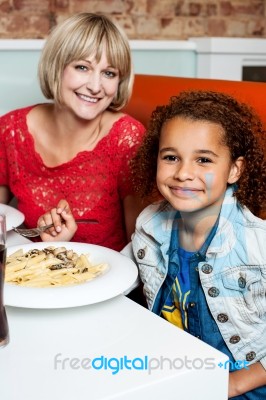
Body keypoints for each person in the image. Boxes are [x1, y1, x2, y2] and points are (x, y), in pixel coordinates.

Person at [128, 90, 266, 399]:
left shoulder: (258, 245)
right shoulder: (151, 225)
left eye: (203, 159)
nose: (183, 173)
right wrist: (64, 247)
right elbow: (117, 275)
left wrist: (235, 384)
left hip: (245, 387)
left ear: (234, 170)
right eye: (171, 157)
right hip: (180, 374)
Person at [0, 13, 146, 252]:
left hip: (107, 280)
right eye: (82, 67)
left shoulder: (126, 137)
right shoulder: (11, 130)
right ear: (57, 66)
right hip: (28, 277)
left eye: (109, 73)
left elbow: (140, 246)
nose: (95, 86)